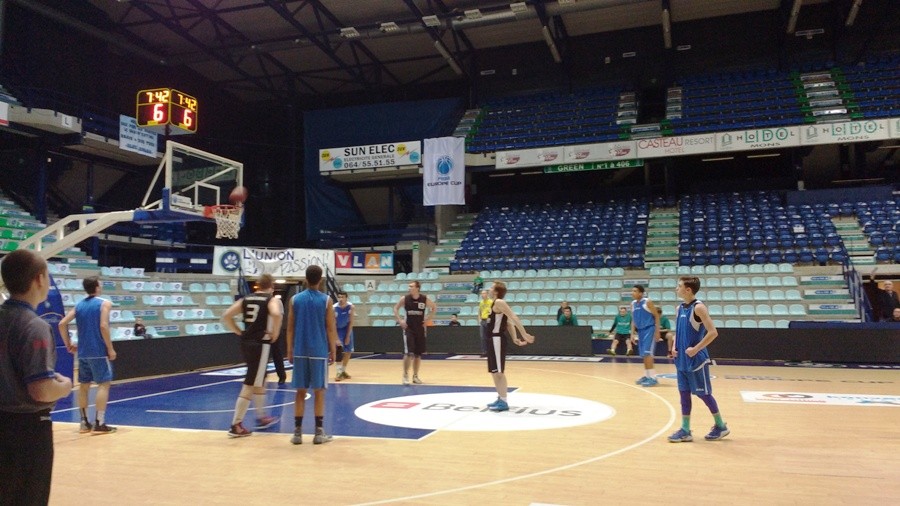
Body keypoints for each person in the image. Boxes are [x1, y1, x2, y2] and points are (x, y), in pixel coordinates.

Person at [1, 250, 74, 505]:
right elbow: (41, 390)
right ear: (40, 279)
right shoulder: (35, 326)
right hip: (26, 432)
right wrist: (64, 386)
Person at [667, 276, 730, 443]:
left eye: (679, 286)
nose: (676, 288)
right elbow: (678, 331)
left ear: (688, 290)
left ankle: (720, 425)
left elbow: (713, 332)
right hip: (681, 360)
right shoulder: (679, 308)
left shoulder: (699, 308)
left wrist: (696, 349)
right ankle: (685, 430)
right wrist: (674, 346)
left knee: (704, 394)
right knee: (684, 394)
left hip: (696, 360)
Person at [220, 273, 282, 438]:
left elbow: (226, 315)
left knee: (260, 379)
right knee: (250, 383)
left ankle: (262, 417)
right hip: (260, 344)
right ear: (272, 286)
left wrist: (238, 331)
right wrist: (276, 333)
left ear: (258, 285)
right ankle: (236, 425)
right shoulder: (271, 300)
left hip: (246, 342)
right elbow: (276, 314)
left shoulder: (246, 299)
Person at [58, 275, 117, 434]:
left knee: (84, 386)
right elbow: (103, 326)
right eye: (100, 284)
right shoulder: (104, 303)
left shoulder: (79, 305)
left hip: (83, 352)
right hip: (98, 351)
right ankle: (99, 423)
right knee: (104, 384)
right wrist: (110, 348)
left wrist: (68, 344)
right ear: (97, 287)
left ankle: (84, 423)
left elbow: (62, 323)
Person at [286, 265, 338, 445]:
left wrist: (289, 349)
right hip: (319, 351)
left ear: (306, 279)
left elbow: (290, 328)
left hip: (300, 350)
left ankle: (297, 433)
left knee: (300, 392)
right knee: (319, 392)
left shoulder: (294, 299)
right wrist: (333, 350)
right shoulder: (326, 300)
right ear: (321, 279)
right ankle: (318, 432)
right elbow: (330, 328)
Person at [484, 281, 535, 412]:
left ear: (496, 291)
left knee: (499, 373)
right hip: (491, 340)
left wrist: (524, 334)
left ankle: (504, 401)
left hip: (497, 339)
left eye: (491, 287)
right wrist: (514, 338)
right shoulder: (494, 303)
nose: (489, 289)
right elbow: (508, 323)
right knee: (494, 372)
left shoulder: (499, 302)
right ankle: (500, 397)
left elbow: (513, 317)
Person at [393, 280, 436, 385]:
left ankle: (415, 376)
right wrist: (400, 320)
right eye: (409, 286)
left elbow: (434, 307)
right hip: (409, 329)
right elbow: (395, 308)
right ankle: (405, 375)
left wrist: (428, 319)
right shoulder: (405, 299)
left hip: (420, 329)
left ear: (417, 288)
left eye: (411, 286)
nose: (409, 288)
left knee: (418, 354)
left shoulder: (424, 299)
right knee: (408, 353)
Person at [631, 285, 662, 387]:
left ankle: (653, 378)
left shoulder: (647, 302)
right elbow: (633, 320)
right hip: (640, 331)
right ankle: (647, 375)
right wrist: (632, 334)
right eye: (632, 291)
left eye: (635, 291)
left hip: (649, 329)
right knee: (644, 354)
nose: (632, 293)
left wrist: (657, 331)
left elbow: (656, 316)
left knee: (648, 354)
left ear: (641, 293)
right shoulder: (633, 304)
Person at [333, 290, 354, 382]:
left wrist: (348, 336)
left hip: (347, 329)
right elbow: (332, 325)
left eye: (342, 297)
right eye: (339, 297)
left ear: (346, 298)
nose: (340, 299)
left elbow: (351, 322)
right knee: (339, 349)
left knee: (348, 351)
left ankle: (343, 371)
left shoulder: (351, 307)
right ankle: (338, 372)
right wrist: (336, 338)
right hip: (338, 330)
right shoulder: (334, 308)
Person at [478, 289, 493, 357]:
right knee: (482, 337)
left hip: (488, 320)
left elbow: (492, 311)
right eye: (482, 293)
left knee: (489, 336)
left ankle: (490, 351)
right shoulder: (481, 302)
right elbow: (479, 311)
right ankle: (484, 351)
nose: (482, 295)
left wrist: (490, 318)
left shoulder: (490, 302)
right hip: (482, 320)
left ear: (487, 294)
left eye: (484, 293)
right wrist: (479, 319)